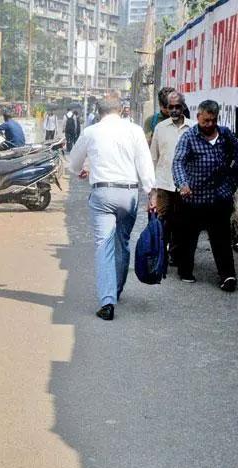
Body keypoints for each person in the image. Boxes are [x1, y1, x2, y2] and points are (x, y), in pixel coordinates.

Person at [67, 95, 156, 321]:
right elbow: (144, 163)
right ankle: (116, 289)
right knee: (121, 242)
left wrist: (83, 171)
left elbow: (74, 163)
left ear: (98, 111)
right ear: (122, 110)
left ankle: (107, 301)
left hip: (103, 193)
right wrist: (150, 192)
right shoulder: (135, 131)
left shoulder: (91, 131)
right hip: (129, 194)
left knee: (103, 245)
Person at [172, 99, 238, 290]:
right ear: (198, 117)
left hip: (219, 197)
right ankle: (185, 270)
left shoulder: (225, 136)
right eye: (205, 120)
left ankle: (228, 276)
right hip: (194, 198)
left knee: (221, 239)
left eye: (212, 121)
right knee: (188, 238)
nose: (209, 125)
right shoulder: (189, 137)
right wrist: (183, 184)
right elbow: (178, 162)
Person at [148, 91, 191, 253]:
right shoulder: (160, 128)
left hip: (185, 186)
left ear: (183, 107)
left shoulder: (192, 128)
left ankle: (176, 254)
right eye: (170, 107)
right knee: (161, 221)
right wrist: (152, 189)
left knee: (182, 223)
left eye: (177, 107)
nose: (173, 110)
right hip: (164, 183)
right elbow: (153, 158)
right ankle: (160, 256)